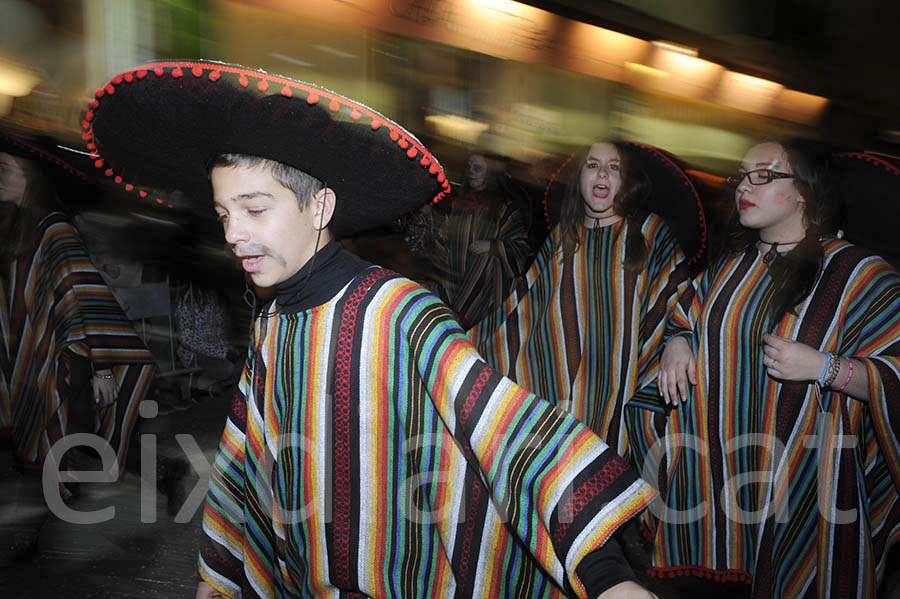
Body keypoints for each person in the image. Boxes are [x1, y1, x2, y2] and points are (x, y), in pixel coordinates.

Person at [85, 60, 660, 599]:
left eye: (255, 209)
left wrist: (608, 579)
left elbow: (503, 431)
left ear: (320, 206)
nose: (234, 233)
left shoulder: (395, 308)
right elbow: (246, 465)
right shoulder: (272, 322)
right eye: (223, 213)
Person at [652, 140, 900, 597]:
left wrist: (827, 368)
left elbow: (894, 372)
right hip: (715, 493)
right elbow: (685, 315)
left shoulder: (860, 273)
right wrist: (679, 342)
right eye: (742, 176)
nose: (744, 186)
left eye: (763, 175)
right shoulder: (727, 268)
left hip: (807, 493)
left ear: (804, 190)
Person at [470, 141, 704, 463]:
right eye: (592, 165)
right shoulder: (563, 235)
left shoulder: (649, 233)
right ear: (580, 178)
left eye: (614, 166)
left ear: (627, 180)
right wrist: (466, 346)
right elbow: (523, 305)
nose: (602, 173)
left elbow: (678, 290)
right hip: (557, 395)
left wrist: (678, 338)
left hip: (616, 395)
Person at [0, 130, 156, 496]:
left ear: (30, 178)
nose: (0, 178)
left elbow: (87, 296)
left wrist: (103, 368)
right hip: (25, 355)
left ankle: (151, 473)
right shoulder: (17, 228)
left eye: (6, 170)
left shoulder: (55, 230)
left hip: (57, 356)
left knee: (60, 433)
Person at [440, 151, 532, 329]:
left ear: (489, 173)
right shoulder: (457, 203)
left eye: (478, 168)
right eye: (469, 167)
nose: (471, 171)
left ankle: (456, 319)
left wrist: (494, 246)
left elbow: (520, 247)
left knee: (486, 260)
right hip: (454, 275)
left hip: (489, 287)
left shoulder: (505, 209)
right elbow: (443, 240)